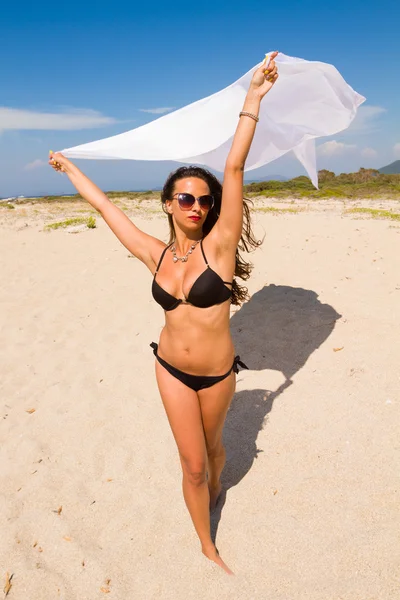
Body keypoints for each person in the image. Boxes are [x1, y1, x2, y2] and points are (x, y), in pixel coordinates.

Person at [49, 53, 279, 575]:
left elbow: (234, 167)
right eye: (185, 198)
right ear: (169, 203)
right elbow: (106, 209)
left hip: (218, 375)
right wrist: (69, 168)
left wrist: (252, 100)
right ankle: (207, 543)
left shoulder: (219, 248)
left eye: (203, 199)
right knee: (192, 464)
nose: (196, 205)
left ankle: (216, 486)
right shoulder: (154, 253)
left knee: (216, 454)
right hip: (170, 369)